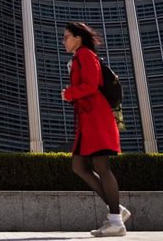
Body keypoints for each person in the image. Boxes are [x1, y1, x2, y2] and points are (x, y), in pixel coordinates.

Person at [61, 22, 130, 237]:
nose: (64, 41)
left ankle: (116, 221)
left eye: (67, 37)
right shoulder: (78, 58)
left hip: (97, 119)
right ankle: (115, 208)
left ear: (78, 38)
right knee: (79, 165)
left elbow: (90, 86)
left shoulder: (85, 55)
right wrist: (72, 96)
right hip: (88, 121)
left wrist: (70, 93)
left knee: (101, 165)